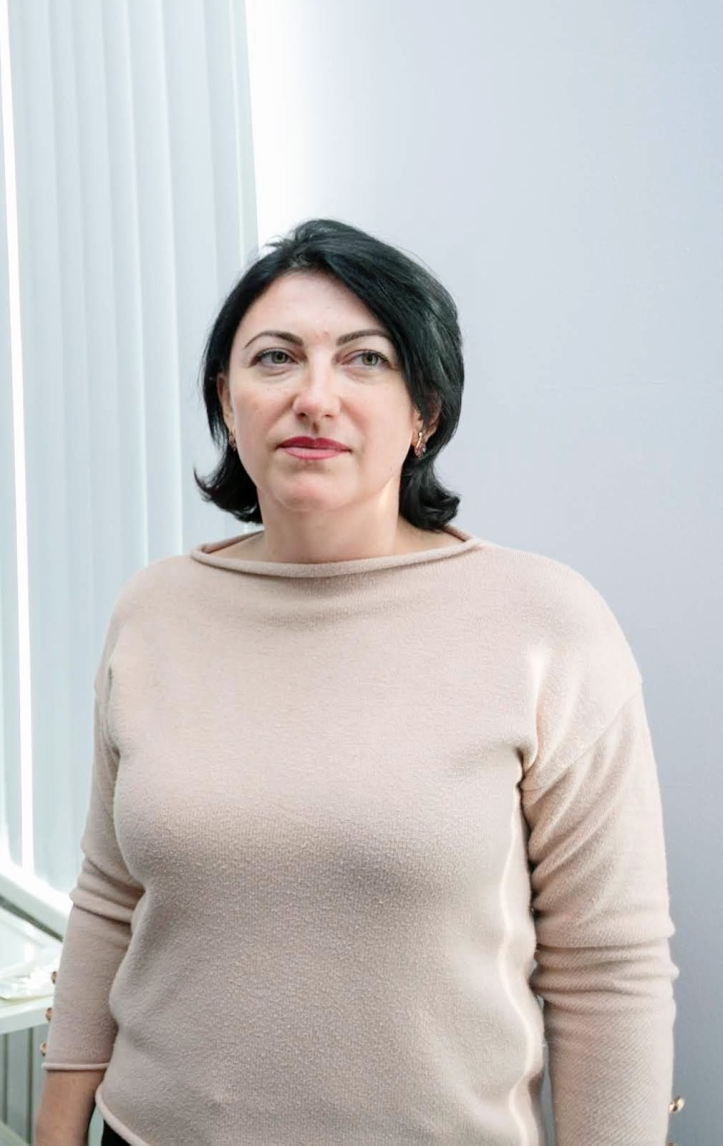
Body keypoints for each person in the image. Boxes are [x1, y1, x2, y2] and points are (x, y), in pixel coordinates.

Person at [33, 220, 675, 1145]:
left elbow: (608, 969)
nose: (314, 397)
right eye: (275, 358)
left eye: (365, 360)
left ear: (425, 413)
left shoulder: (546, 621)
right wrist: (56, 1130)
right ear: (227, 402)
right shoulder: (155, 608)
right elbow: (109, 895)